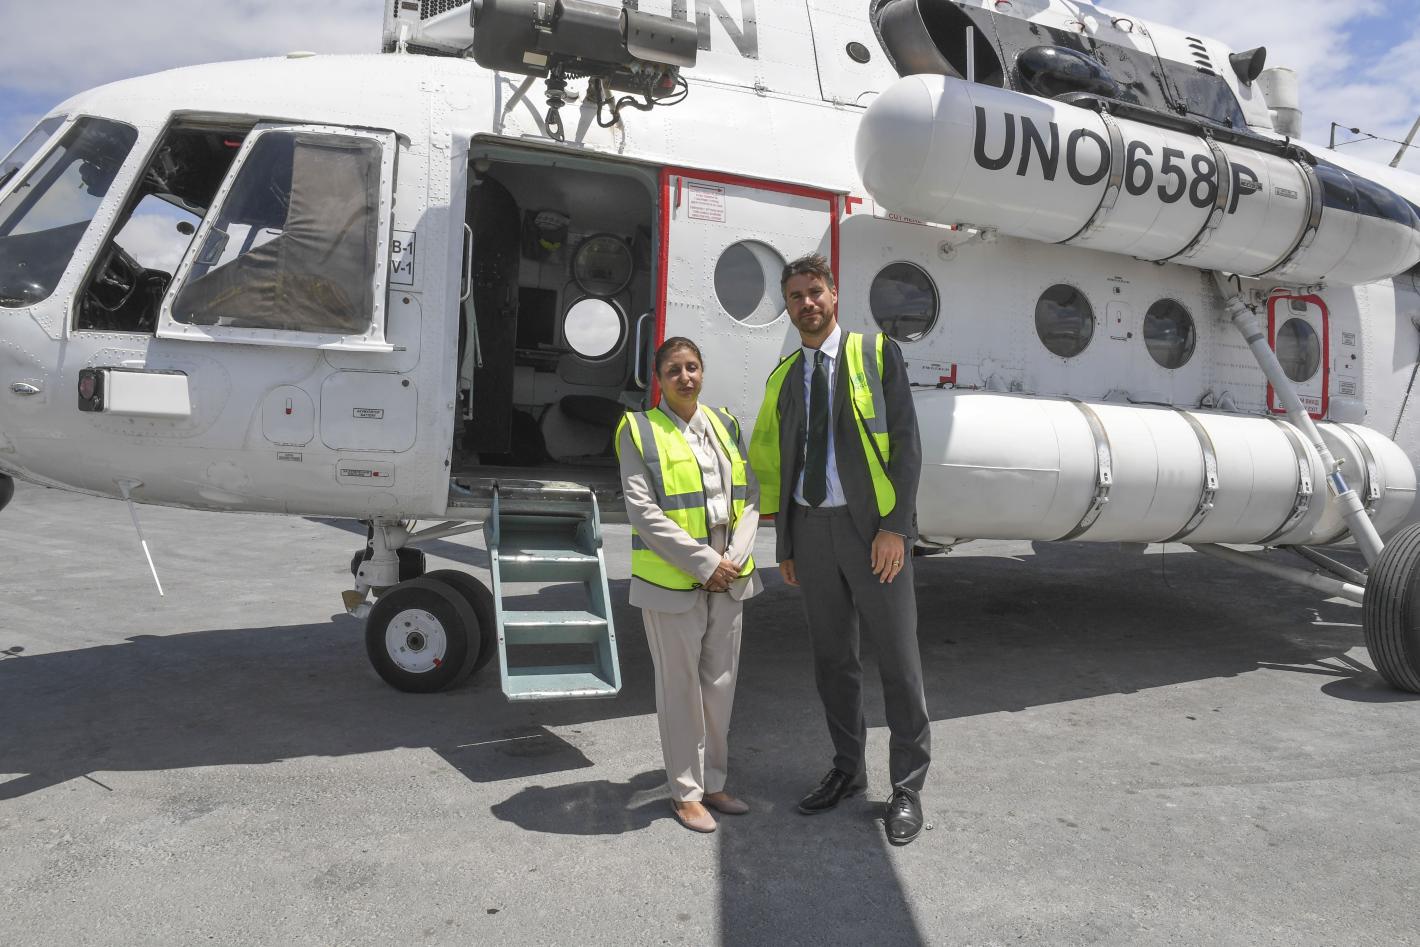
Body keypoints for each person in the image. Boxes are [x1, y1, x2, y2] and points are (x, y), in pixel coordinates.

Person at [748, 253, 930, 846]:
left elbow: (906, 444)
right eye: (795, 295)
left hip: (872, 532)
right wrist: (787, 543)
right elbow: (782, 464)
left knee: (898, 661)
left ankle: (907, 787)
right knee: (832, 662)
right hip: (811, 530)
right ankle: (848, 770)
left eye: (815, 291)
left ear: (833, 294)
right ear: (788, 306)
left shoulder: (874, 353)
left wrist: (895, 527)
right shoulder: (784, 377)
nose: (806, 302)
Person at [617, 336, 763, 833]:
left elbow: (749, 495)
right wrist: (705, 563)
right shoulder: (639, 431)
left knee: (720, 687)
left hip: (730, 574)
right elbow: (643, 512)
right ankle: (685, 793)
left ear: (703, 372)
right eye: (674, 370)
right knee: (679, 689)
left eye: (693, 367)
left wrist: (734, 557)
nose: (686, 377)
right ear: (659, 379)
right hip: (674, 579)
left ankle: (714, 783)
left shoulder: (725, 425)